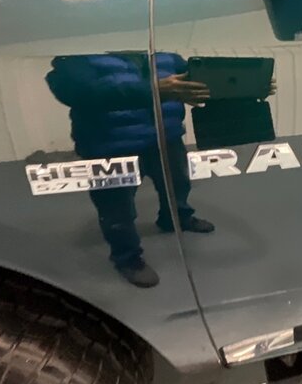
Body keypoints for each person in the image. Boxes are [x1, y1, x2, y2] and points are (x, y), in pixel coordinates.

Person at [46, 51, 214, 288]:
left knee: (178, 184)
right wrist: (154, 89)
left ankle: (176, 218)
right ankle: (127, 258)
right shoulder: (77, 56)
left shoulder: (163, 54)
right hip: (108, 145)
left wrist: (246, 87)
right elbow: (79, 93)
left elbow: (199, 79)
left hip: (166, 138)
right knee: (117, 209)